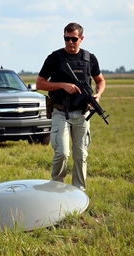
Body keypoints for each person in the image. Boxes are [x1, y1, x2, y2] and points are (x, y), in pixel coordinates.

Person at [36, 23, 106, 191]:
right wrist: (62, 85)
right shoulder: (55, 58)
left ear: (81, 39)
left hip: (83, 114)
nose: (70, 42)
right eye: (66, 38)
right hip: (61, 112)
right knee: (62, 153)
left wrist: (98, 94)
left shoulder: (89, 58)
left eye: (74, 39)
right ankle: (56, 187)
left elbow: (100, 81)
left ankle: (78, 193)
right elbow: (40, 83)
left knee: (81, 156)